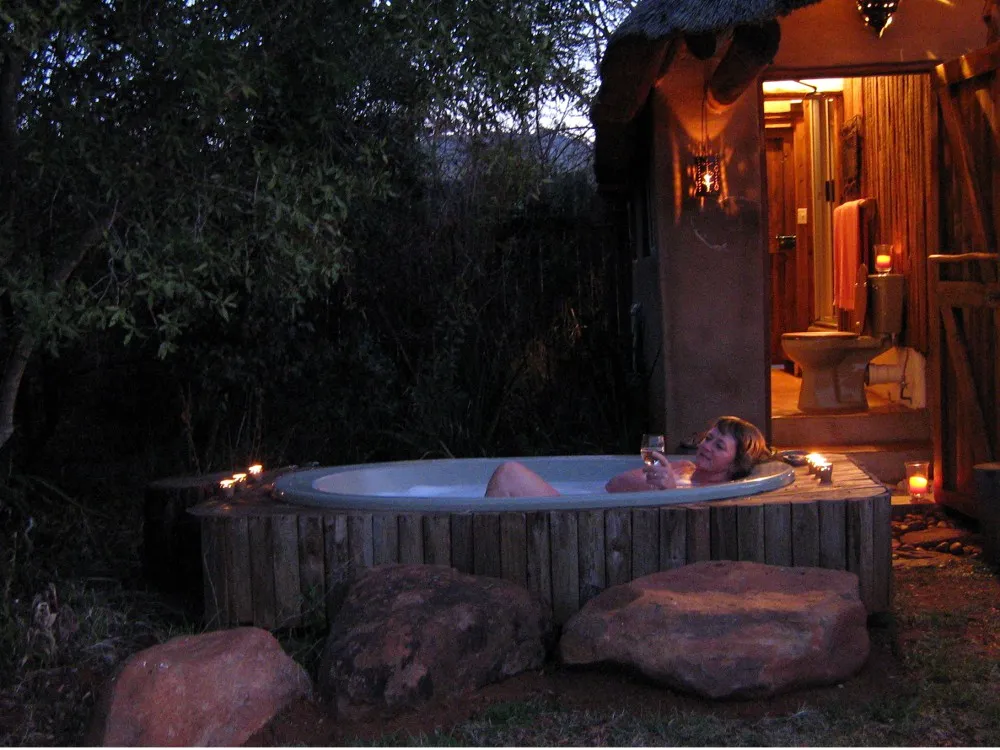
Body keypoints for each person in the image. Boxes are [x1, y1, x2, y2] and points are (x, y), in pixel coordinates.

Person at [484, 415, 770, 498]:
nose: (707, 446)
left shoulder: (711, 493)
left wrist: (670, 492)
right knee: (507, 474)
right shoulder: (684, 467)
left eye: (719, 446)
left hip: (589, 517)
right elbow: (618, 485)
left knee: (509, 473)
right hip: (589, 502)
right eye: (709, 438)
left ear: (736, 463)